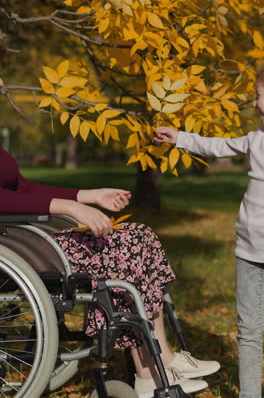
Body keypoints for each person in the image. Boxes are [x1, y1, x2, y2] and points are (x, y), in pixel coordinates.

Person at [0, 77, 220, 398]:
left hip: (22, 241)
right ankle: (151, 371)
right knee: (122, 246)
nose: (4, 80)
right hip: (16, 249)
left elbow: (23, 190)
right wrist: (69, 207)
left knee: (139, 236)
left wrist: (90, 195)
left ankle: (160, 362)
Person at [155, 66, 264, 398]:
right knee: (248, 331)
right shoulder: (256, 139)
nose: (256, 104)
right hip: (249, 251)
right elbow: (219, 146)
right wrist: (180, 138)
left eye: (259, 95)